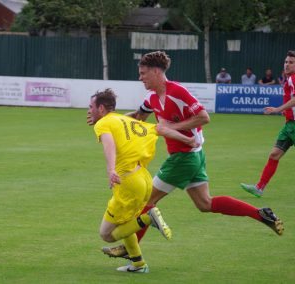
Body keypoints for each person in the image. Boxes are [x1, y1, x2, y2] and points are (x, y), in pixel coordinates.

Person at [102, 51, 284, 259]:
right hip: (194, 157)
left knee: (145, 202)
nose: (140, 77)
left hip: (184, 157)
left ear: (155, 72)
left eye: (143, 73)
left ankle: (130, 249)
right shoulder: (151, 97)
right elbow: (136, 118)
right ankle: (260, 213)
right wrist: (108, 120)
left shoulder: (177, 92)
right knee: (205, 204)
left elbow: (203, 117)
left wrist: (173, 127)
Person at [88, 88, 198, 273]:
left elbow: (109, 145)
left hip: (128, 182)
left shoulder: (104, 124)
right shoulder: (128, 121)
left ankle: (148, 218)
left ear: (101, 108)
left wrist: (111, 170)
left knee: (106, 234)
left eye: (91, 107)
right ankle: (138, 264)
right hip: (143, 179)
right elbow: (160, 129)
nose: (88, 110)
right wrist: (188, 141)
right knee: (126, 222)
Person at [241, 50, 295, 197]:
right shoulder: (289, 78)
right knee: (274, 155)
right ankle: (259, 188)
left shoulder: (294, 79)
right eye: (286, 62)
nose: (287, 64)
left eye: (291, 62)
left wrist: (278, 109)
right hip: (289, 125)